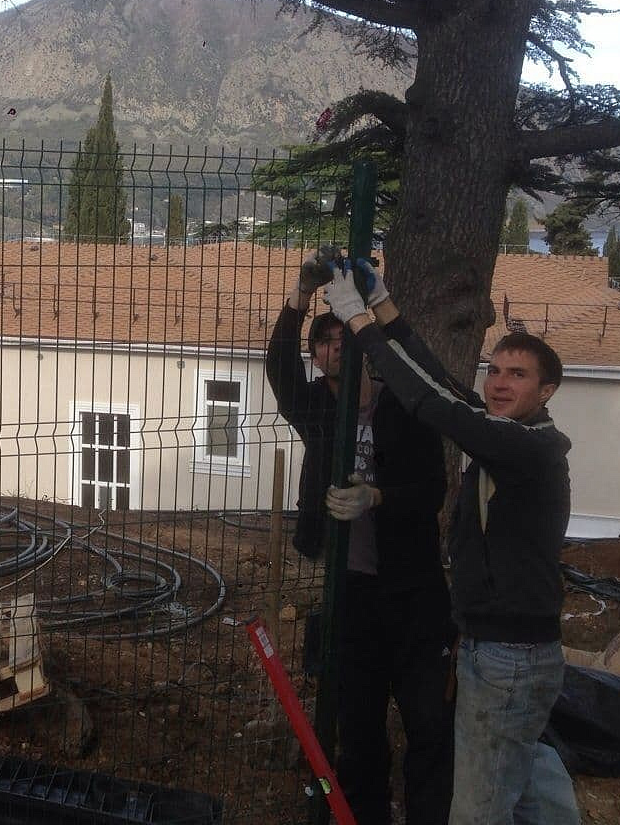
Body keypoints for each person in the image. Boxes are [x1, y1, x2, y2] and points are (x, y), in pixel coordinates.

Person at [323, 261, 581, 825]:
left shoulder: (525, 448)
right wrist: (385, 308)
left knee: (478, 808)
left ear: (546, 391)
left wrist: (358, 322)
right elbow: (445, 385)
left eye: (518, 375)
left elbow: (431, 403)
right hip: (507, 649)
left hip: (510, 659)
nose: (499, 383)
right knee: (519, 782)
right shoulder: (513, 432)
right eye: (495, 370)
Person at [266, 253, 454, 825]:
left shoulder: (405, 406)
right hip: (351, 588)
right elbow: (278, 367)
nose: (332, 350)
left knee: (428, 722)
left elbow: (433, 490)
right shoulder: (317, 409)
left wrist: (379, 497)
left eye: (341, 339)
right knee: (360, 724)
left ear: (362, 348)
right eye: (321, 343)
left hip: (413, 588)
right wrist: (300, 295)